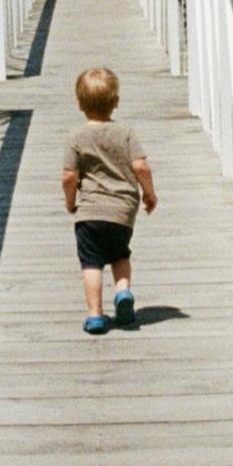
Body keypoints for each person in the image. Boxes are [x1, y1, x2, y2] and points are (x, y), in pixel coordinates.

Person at [60, 65, 156, 334]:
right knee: (119, 255)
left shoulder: (76, 137)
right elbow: (141, 167)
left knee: (91, 263)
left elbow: (69, 176)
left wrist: (70, 202)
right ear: (116, 102)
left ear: (79, 104)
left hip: (89, 213)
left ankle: (95, 315)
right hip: (122, 212)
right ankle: (123, 292)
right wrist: (149, 194)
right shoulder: (126, 133)